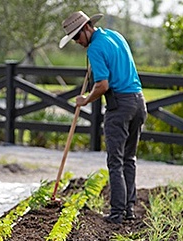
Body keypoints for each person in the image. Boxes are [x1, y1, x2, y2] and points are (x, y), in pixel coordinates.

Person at [59, 11, 147, 224]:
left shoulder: (95, 48)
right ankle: (129, 209)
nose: (78, 43)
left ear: (87, 28)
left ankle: (117, 213)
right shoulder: (116, 36)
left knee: (115, 160)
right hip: (139, 102)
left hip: (119, 106)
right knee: (129, 158)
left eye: (77, 37)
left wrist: (85, 100)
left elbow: (102, 85)